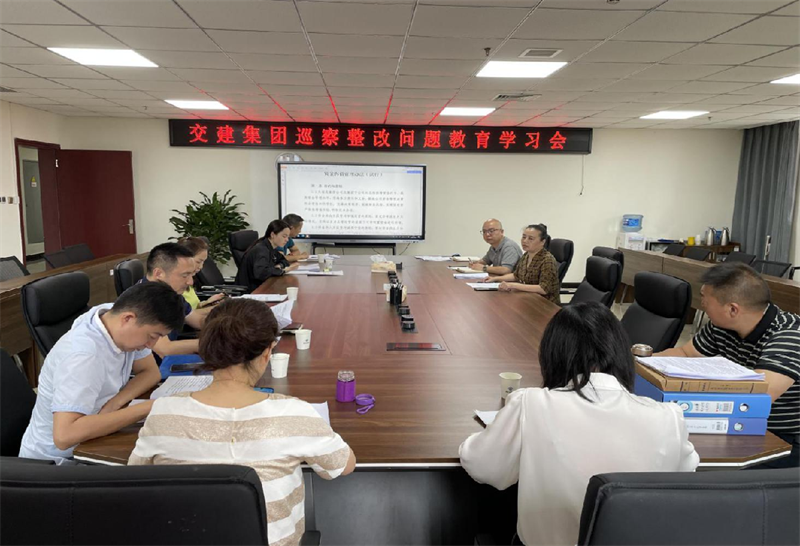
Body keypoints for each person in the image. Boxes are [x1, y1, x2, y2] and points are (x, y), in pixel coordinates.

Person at [460, 302, 698, 546]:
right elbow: (685, 478)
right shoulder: (668, 417)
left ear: (554, 357)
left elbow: (483, 467)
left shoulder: (531, 403)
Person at [129, 298, 356, 546]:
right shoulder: (294, 414)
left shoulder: (163, 412)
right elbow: (342, 465)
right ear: (267, 353)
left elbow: (136, 475)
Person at [19, 282, 185, 464]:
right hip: (58, 461)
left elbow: (150, 372)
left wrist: (115, 402)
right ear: (127, 318)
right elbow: (64, 436)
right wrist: (151, 406)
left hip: (92, 435)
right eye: (152, 336)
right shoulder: (83, 356)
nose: (151, 345)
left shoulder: (111, 315)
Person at [657, 262, 800, 468]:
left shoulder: (789, 335)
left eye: (705, 298)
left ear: (732, 309)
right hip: (739, 424)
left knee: (689, 465)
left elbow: (757, 397)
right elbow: (684, 353)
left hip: (782, 439)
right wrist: (639, 362)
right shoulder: (722, 326)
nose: (702, 304)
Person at [139, 242, 213, 357]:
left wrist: (229, 326)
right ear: (159, 273)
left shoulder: (171, 292)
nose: (190, 282)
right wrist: (214, 343)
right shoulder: (144, 301)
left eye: (191, 275)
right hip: (163, 364)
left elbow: (197, 320)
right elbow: (165, 349)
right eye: (185, 275)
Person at [486, 224, 560, 304]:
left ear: (542, 242)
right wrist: (495, 279)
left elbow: (543, 289)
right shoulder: (526, 255)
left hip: (545, 304)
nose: (525, 241)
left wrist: (512, 285)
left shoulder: (547, 259)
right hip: (529, 298)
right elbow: (516, 275)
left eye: (530, 238)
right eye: (524, 237)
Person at [235, 219, 299, 292]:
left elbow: (284, 260)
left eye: (288, 237)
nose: (287, 240)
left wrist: (279, 266)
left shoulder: (271, 247)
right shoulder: (261, 249)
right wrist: (283, 270)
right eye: (284, 236)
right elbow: (260, 273)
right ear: (272, 235)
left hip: (261, 286)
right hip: (251, 291)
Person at [177, 236, 226, 310]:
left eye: (203, 262)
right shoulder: (175, 286)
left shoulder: (189, 280)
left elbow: (193, 307)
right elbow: (187, 315)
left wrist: (207, 303)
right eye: (198, 262)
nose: (201, 267)